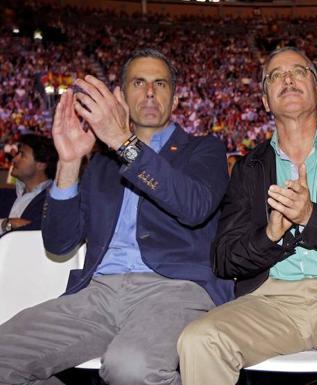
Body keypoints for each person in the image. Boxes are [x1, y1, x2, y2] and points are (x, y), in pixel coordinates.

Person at [0, 48, 232, 385]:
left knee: (130, 368)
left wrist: (124, 143)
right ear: (121, 96)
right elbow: (59, 241)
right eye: (139, 82)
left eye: (160, 83)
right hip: (97, 293)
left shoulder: (204, 149)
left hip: (175, 289)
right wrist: (68, 162)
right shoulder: (101, 164)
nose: (150, 92)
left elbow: (193, 207)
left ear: (175, 97)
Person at [177, 47, 317, 385]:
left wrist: (311, 217)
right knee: (197, 341)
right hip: (269, 299)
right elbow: (224, 259)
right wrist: (271, 236)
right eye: (275, 76)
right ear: (266, 101)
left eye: (299, 72)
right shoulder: (249, 168)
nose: (287, 79)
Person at [0, 134, 57, 236]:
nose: (14, 159)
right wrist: (6, 223)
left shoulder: (55, 201)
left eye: (22, 155)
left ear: (41, 164)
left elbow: (47, 231)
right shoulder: (4, 195)